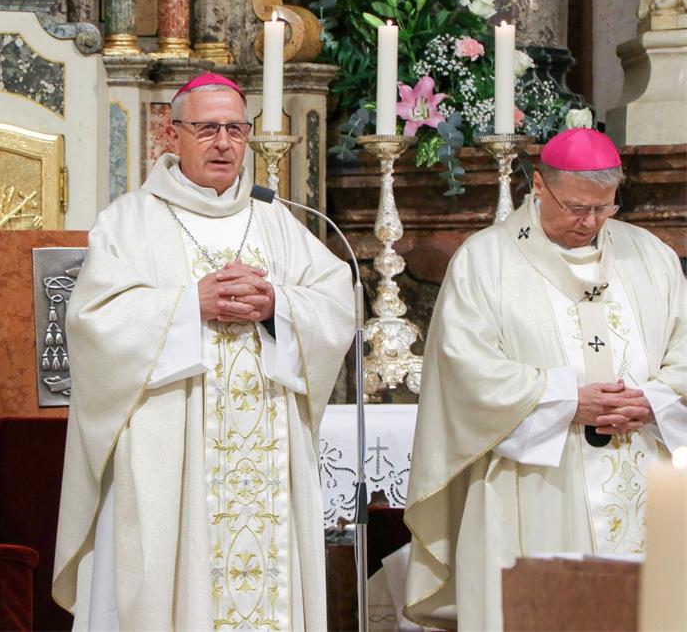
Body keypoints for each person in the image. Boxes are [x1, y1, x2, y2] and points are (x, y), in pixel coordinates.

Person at [52, 73, 355, 630]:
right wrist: (190, 304)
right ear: (172, 134)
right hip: (168, 449)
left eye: (235, 130)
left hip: (268, 448)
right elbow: (93, 323)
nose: (223, 143)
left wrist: (277, 305)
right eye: (207, 129)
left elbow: (335, 301)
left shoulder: (275, 220)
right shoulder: (129, 222)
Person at [404, 127, 687, 631]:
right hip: (536, 484)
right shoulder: (485, 261)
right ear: (538, 185)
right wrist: (565, 400)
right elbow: (462, 366)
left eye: (604, 207)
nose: (590, 221)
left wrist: (652, 399)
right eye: (576, 207)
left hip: (646, 472)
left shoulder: (651, 256)